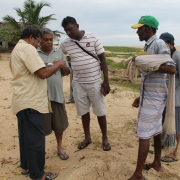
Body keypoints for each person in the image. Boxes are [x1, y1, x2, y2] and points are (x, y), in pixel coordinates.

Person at [10, 26, 65, 180]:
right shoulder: (28, 49)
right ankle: (39, 174)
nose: (39, 44)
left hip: (21, 101)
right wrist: (59, 64)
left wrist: (48, 64)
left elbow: (28, 70)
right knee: (35, 140)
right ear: (32, 37)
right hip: (31, 102)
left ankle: (26, 167)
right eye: (39, 40)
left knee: (26, 138)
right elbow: (42, 74)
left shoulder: (17, 49)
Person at [129, 16, 176, 180]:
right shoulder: (149, 45)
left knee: (143, 133)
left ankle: (138, 174)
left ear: (148, 28)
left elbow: (171, 69)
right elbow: (150, 73)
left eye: (139, 28)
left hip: (155, 95)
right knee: (156, 130)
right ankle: (157, 162)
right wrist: (141, 96)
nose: (137, 31)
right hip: (151, 93)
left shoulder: (158, 44)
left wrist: (145, 62)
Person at [60, 16, 111, 151]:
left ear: (77, 26)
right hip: (78, 84)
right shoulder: (66, 43)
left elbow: (103, 60)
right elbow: (58, 54)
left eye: (70, 29)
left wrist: (106, 81)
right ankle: (87, 137)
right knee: (84, 112)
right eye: (66, 31)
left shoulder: (92, 37)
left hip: (95, 82)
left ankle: (104, 138)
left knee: (100, 112)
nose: (69, 33)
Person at [37, 28, 70, 160]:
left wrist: (62, 66)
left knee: (59, 125)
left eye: (51, 39)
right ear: (39, 40)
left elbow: (67, 72)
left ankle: (59, 147)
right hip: (40, 97)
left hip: (57, 95)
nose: (49, 42)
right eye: (46, 39)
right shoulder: (35, 53)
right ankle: (41, 150)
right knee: (41, 126)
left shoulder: (59, 52)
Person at [159, 32, 180, 162]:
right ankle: (166, 145)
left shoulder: (177, 56)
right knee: (165, 123)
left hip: (176, 99)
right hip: (166, 98)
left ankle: (174, 152)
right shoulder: (165, 57)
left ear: (171, 44)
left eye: (165, 44)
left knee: (176, 126)